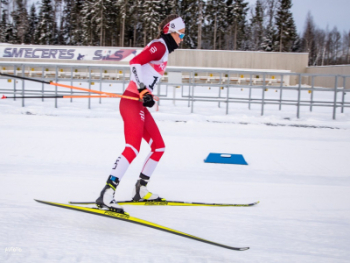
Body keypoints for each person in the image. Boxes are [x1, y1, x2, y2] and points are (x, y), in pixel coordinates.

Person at [96, 15, 186, 213]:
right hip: (130, 102)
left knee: (159, 147)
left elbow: (145, 72)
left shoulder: (164, 51)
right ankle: (107, 193)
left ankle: (141, 189)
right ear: (170, 31)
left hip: (139, 104)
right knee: (133, 148)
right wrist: (143, 90)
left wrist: (148, 94)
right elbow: (135, 62)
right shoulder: (160, 46)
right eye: (181, 34)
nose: (182, 38)